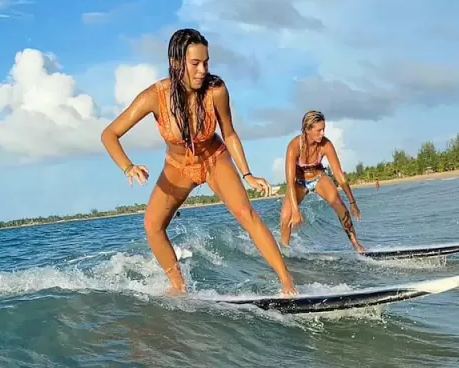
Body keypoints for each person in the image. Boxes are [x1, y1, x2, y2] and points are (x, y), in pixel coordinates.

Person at [100, 28, 297, 295]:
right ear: (176, 62)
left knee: (246, 214)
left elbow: (228, 132)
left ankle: (288, 284)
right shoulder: (155, 97)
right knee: (152, 225)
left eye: (206, 62)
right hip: (178, 168)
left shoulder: (215, 90)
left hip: (214, 159)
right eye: (195, 63)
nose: (202, 70)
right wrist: (128, 166)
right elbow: (109, 134)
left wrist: (247, 173)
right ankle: (179, 288)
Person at [279, 110, 366, 253]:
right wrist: (295, 210)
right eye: (319, 130)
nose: (322, 133)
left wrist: (352, 202)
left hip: (318, 178)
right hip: (299, 182)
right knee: (285, 217)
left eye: (323, 129)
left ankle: (356, 245)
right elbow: (289, 181)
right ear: (307, 129)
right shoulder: (294, 146)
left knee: (339, 205)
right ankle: (284, 251)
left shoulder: (326, 145)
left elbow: (339, 174)